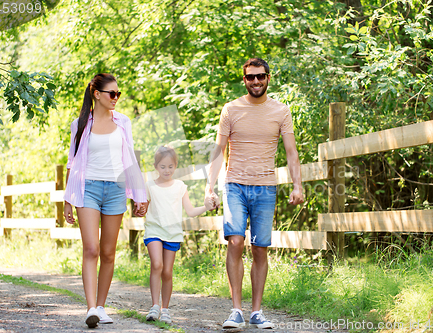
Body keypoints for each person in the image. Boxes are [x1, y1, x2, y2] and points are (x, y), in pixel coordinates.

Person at [205, 58, 304, 329]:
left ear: (268, 78)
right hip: (234, 185)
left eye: (260, 76)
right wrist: (209, 188)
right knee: (235, 241)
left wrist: (298, 185)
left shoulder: (281, 111)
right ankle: (236, 309)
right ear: (244, 80)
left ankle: (256, 311)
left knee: (260, 248)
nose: (256, 81)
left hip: (265, 187)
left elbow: (291, 151)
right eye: (250, 77)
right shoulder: (231, 109)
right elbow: (219, 150)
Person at [63, 73, 148, 328]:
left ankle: (101, 306)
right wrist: (67, 200)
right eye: (112, 93)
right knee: (92, 249)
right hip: (87, 188)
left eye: (118, 94)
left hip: (115, 190)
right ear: (97, 94)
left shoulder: (123, 122)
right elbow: (72, 161)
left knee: (109, 252)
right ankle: (90, 308)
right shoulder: (80, 124)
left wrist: (140, 194)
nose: (116, 98)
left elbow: (131, 158)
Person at [144, 146, 214, 324]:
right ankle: (154, 306)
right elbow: (142, 207)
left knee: (167, 271)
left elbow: (190, 211)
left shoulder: (181, 187)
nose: (166, 170)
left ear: (175, 166)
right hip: (154, 231)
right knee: (157, 264)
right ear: (155, 166)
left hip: (172, 234)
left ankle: (165, 309)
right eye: (162, 166)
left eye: (170, 166)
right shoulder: (150, 185)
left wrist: (206, 207)